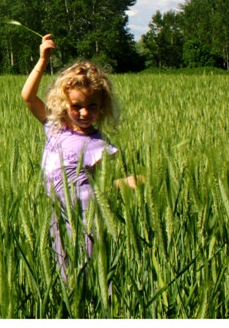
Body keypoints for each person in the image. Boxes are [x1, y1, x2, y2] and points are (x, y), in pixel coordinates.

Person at [21, 33, 142, 279]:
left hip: (85, 214)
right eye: (76, 106)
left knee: (86, 267)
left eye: (92, 106)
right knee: (61, 267)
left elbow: (100, 183)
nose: (84, 113)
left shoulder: (98, 145)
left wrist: (120, 184)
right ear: (64, 103)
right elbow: (28, 97)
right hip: (56, 208)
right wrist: (43, 60)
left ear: (102, 106)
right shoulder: (54, 126)